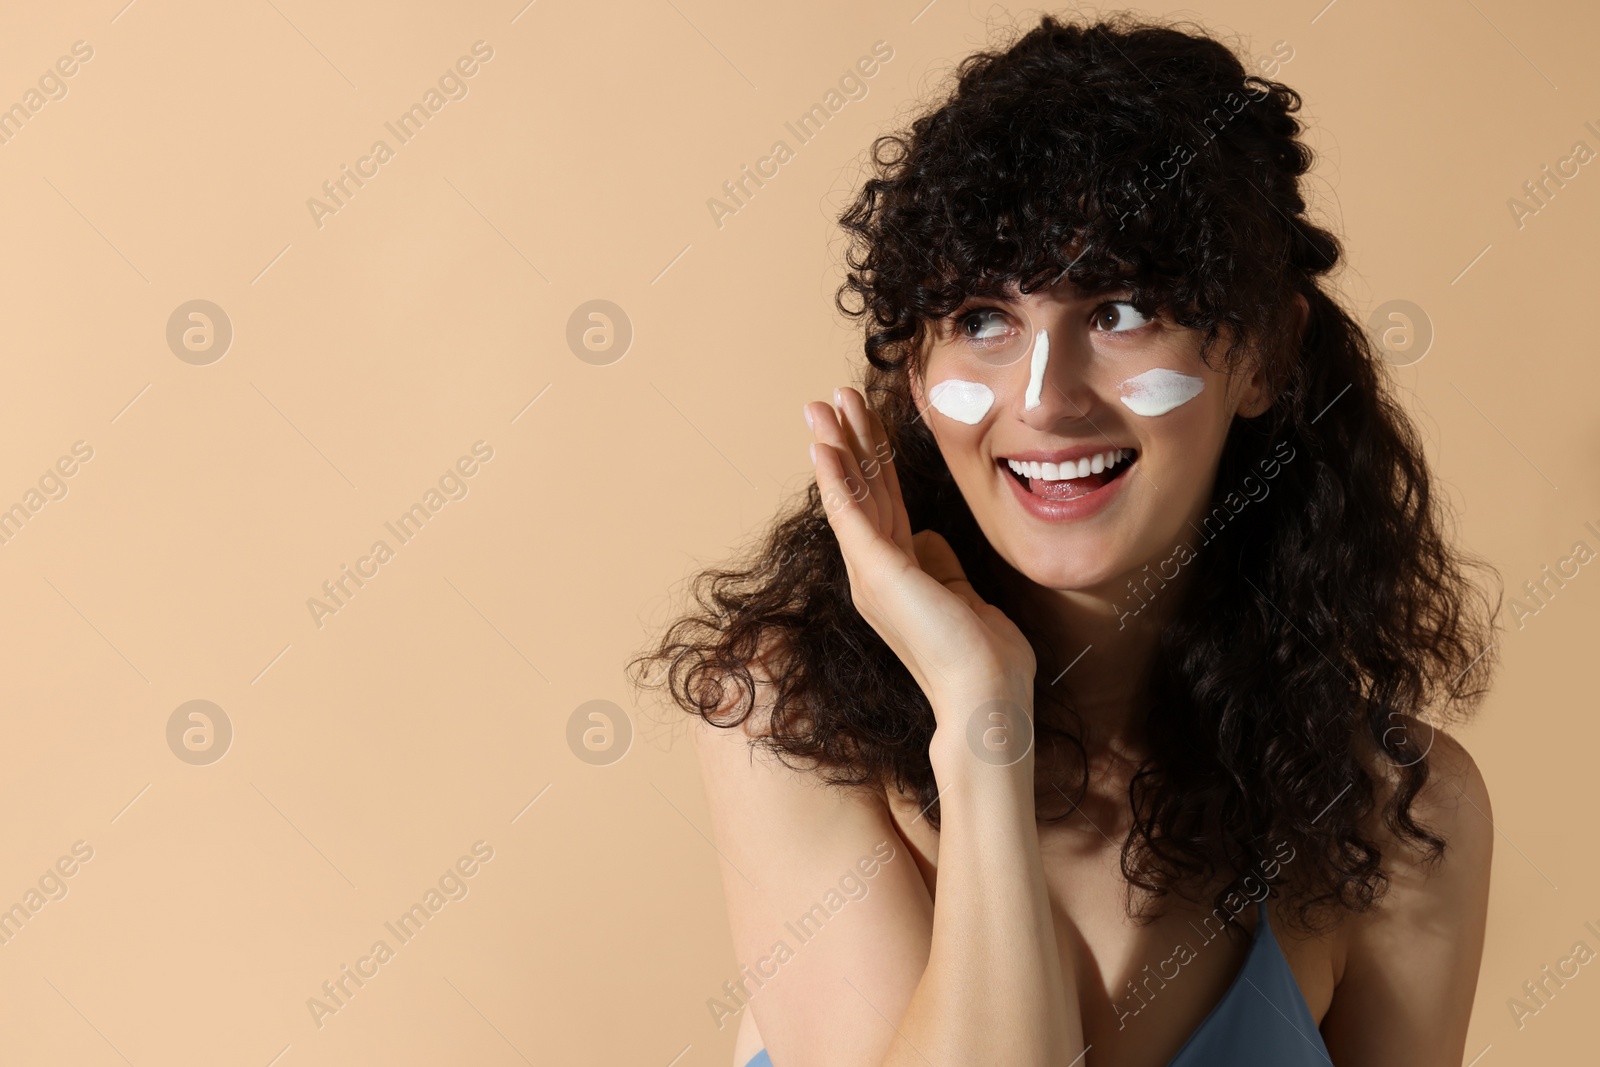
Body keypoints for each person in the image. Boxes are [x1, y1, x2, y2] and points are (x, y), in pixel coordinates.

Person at [632, 13, 1501, 1066]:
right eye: (985, 318)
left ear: (1268, 354)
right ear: (913, 369)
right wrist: (979, 719)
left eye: (1123, 308)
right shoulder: (787, 722)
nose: (1044, 401)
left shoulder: (1401, 813)